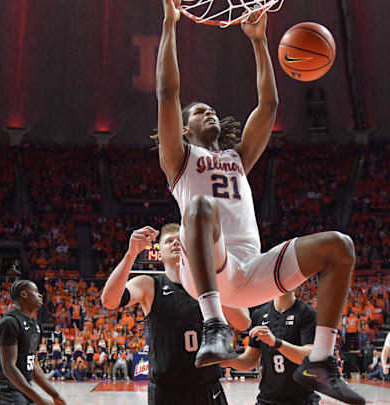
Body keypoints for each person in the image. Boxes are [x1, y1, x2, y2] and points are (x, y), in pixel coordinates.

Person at [153, 1, 363, 403]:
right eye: (199, 111)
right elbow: (167, 91)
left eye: (211, 109)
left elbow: (269, 107)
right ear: (183, 128)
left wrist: (259, 41)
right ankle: (214, 325)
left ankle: (320, 361)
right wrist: (169, 23)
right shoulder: (178, 160)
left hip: (251, 272)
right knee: (199, 208)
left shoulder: (236, 159)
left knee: (340, 246)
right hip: (209, 274)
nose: (208, 111)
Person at [101, 224, 249, 405]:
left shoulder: (209, 284)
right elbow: (109, 301)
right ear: (159, 253)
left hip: (207, 386)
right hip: (166, 390)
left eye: (180, 240)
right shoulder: (149, 285)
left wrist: (213, 284)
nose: (175, 244)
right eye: (169, 241)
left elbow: (243, 322)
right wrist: (131, 254)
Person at [222, 291, 320, 405]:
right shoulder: (259, 314)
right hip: (267, 399)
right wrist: (229, 360)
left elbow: (309, 356)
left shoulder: (308, 313)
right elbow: (250, 360)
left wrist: (276, 342)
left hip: (302, 399)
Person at [0, 280, 67, 405]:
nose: (40, 295)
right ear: (23, 295)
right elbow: (8, 367)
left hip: (23, 386)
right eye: (36, 292)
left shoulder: (35, 325)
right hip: (5, 388)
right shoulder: (9, 322)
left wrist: (55, 395)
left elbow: (33, 364)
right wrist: (39, 399)